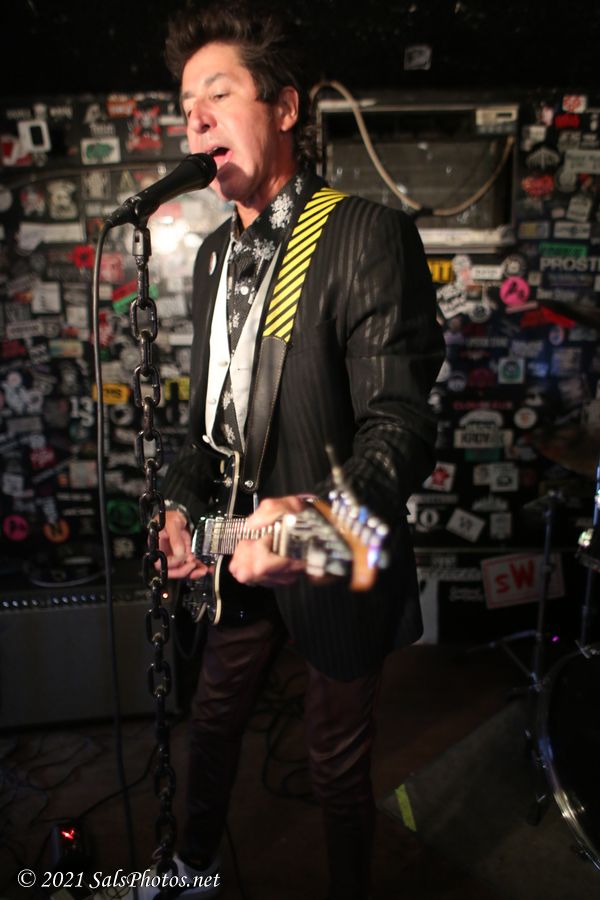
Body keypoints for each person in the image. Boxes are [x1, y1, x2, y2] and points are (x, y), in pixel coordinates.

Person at [156, 2, 445, 898]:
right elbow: (208, 418)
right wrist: (180, 503)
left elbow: (400, 425)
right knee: (211, 721)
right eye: (186, 105)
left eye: (218, 94)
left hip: (329, 551)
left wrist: (317, 525)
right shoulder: (210, 256)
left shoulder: (362, 233)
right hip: (232, 550)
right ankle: (191, 868)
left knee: (336, 760)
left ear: (284, 107)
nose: (195, 119)